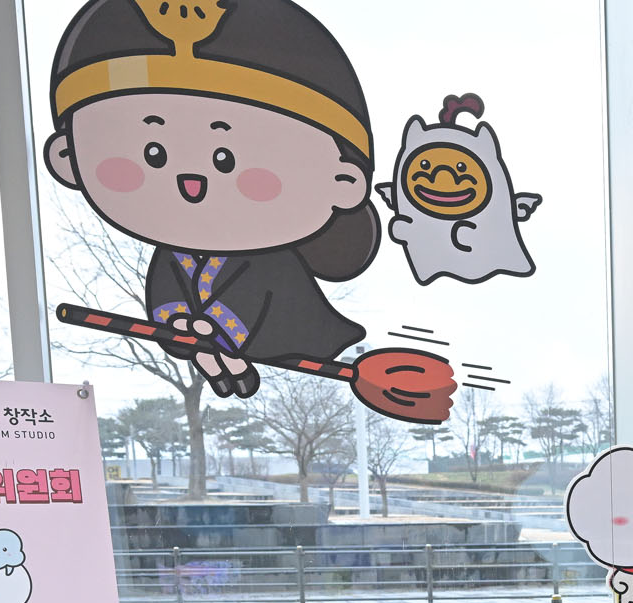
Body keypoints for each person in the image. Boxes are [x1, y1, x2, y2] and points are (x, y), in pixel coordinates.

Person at [41, 0, 380, 398]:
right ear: (68, 156)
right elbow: (166, 290)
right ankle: (222, 361)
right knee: (204, 340)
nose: (191, 179)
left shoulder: (270, 259)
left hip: (274, 331)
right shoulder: (174, 253)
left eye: (224, 158)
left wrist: (218, 330)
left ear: (343, 180)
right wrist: (176, 324)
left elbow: (266, 300)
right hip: (204, 331)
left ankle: (228, 361)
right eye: (154, 153)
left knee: (231, 324)